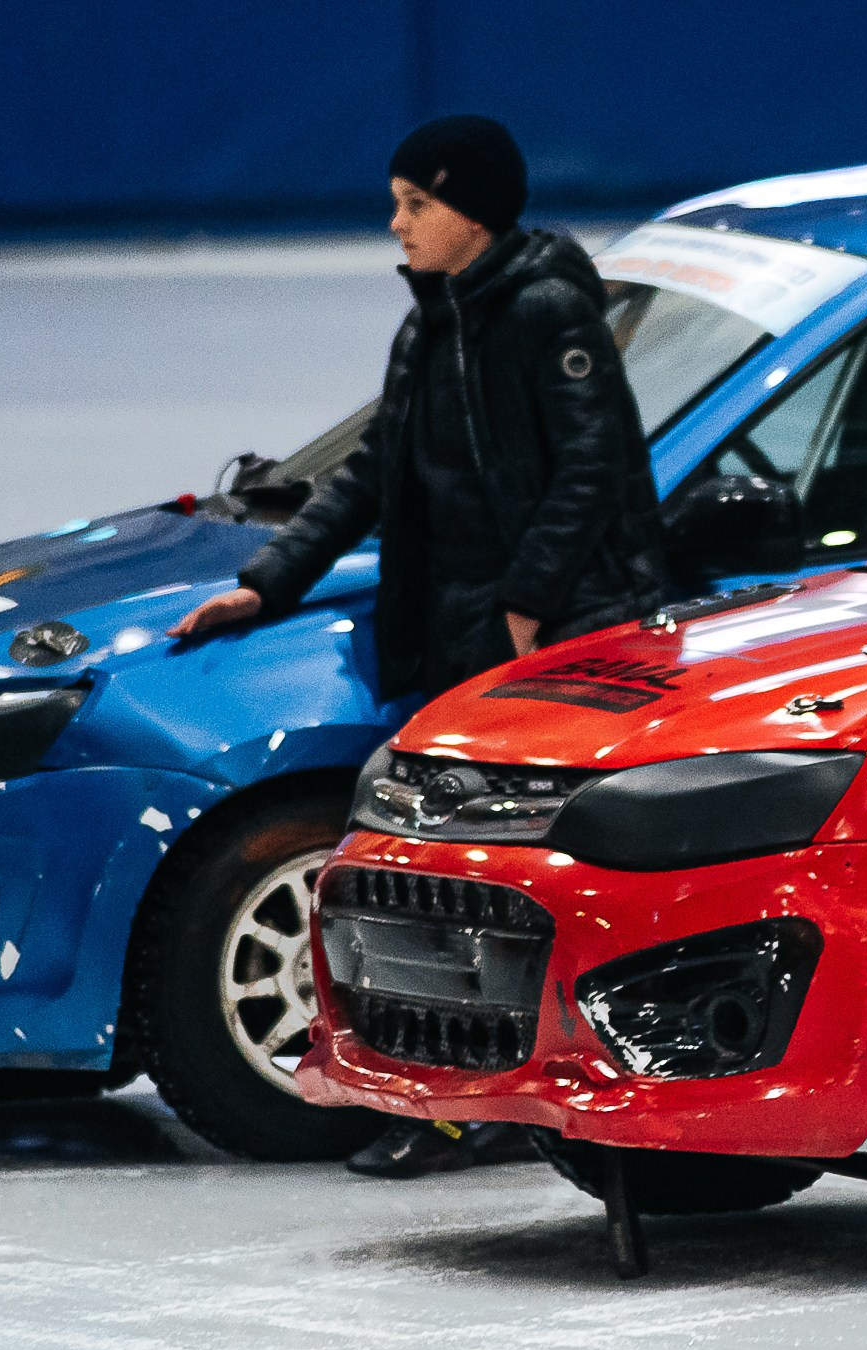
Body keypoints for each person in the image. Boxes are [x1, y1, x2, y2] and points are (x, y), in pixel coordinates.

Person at [170, 114, 670, 1177]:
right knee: (444, 876)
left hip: (552, 644)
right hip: (464, 637)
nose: (395, 224)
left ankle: (502, 1105)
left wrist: (527, 608)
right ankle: (455, 1096)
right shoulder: (430, 323)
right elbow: (369, 474)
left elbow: (595, 467)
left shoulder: (546, 313)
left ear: (473, 214)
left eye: (416, 204)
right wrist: (266, 583)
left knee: (510, 883)